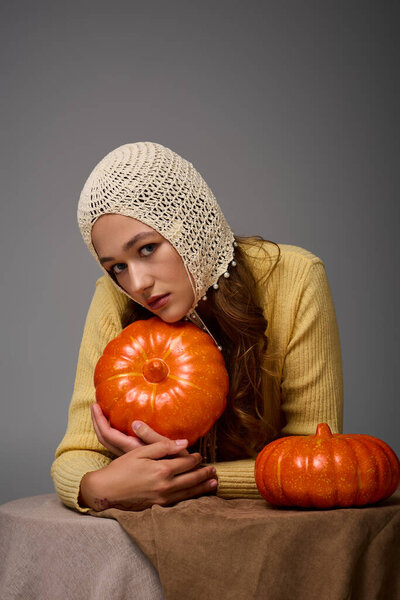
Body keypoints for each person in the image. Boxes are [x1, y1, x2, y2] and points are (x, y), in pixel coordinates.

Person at [51, 141, 343, 513]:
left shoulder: (297, 279)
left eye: (146, 249)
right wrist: (93, 487)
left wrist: (189, 477)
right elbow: (77, 454)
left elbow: (317, 457)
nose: (137, 283)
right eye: (117, 267)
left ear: (189, 224)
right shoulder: (113, 298)